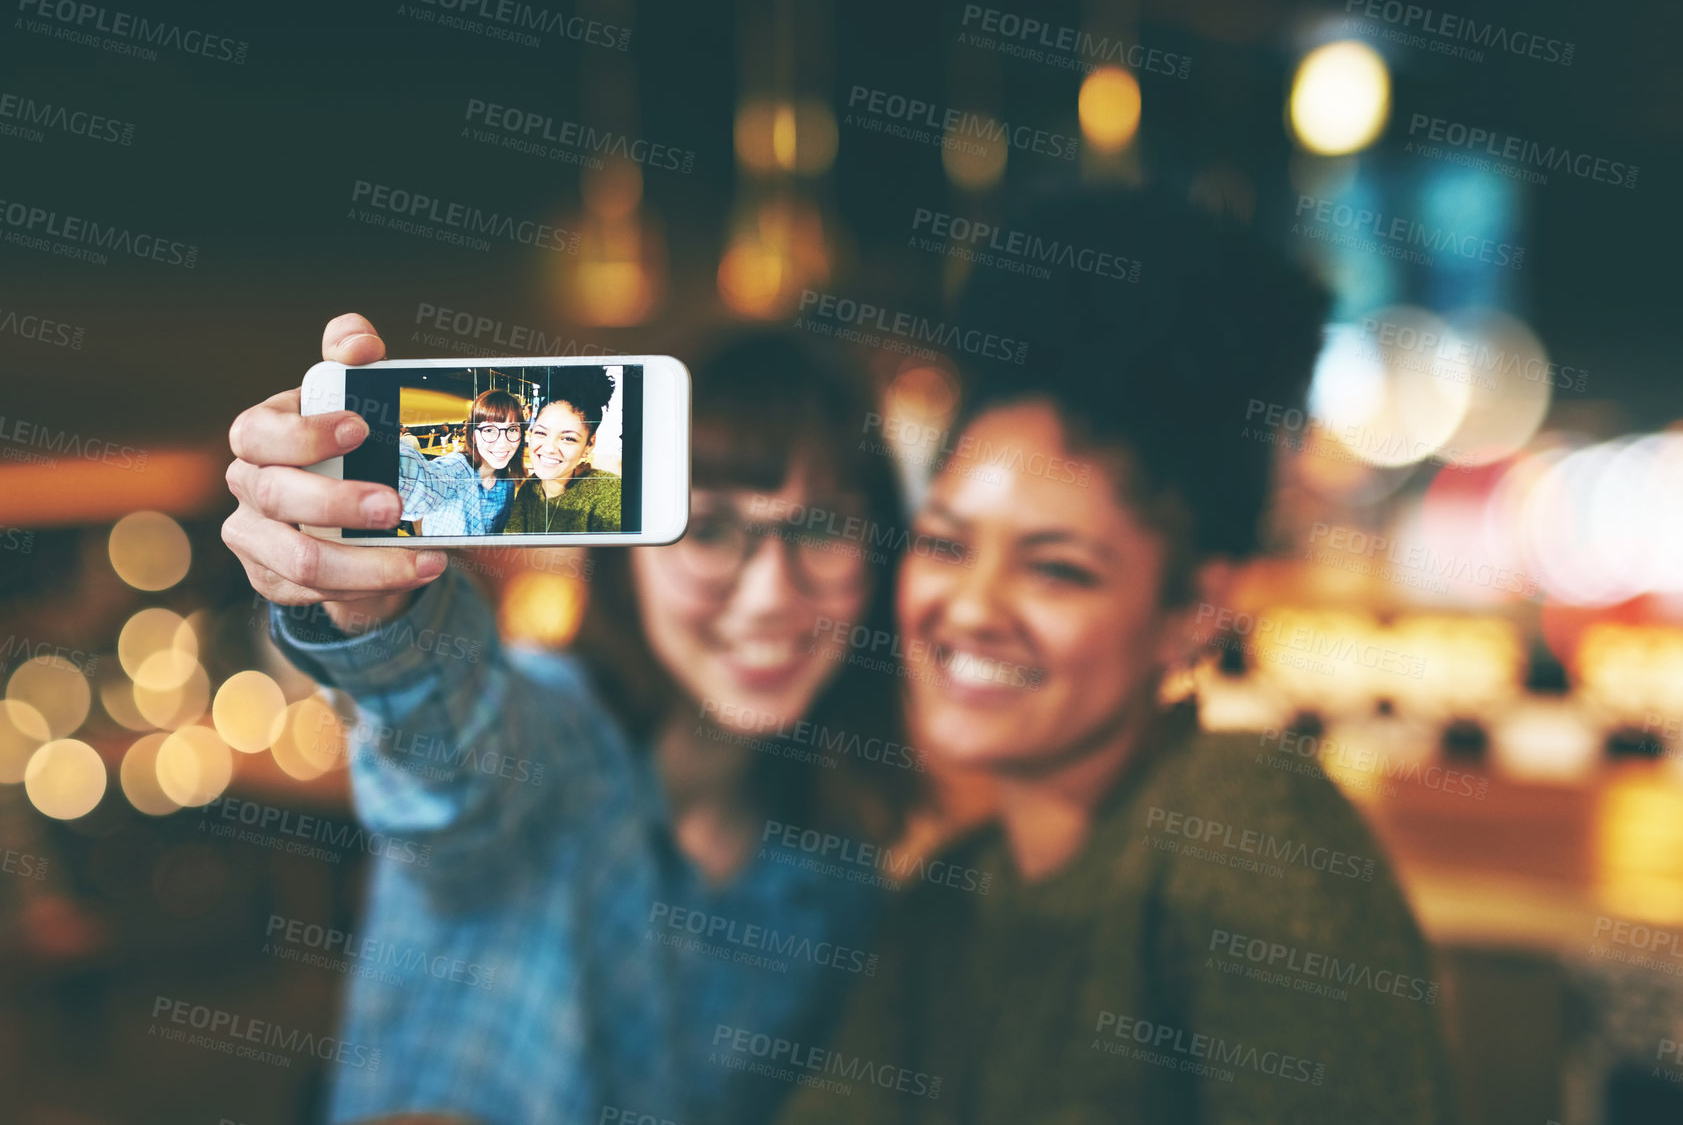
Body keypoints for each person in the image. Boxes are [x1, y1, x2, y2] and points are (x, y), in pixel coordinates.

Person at [776, 189, 1458, 1123]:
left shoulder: (1241, 822)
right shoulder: (948, 903)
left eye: (1056, 570)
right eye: (944, 544)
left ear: (1196, 611)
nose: (970, 607)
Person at [221, 319, 913, 1125]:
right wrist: (381, 609)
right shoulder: (551, 733)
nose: (769, 595)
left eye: (822, 527)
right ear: (627, 553)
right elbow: (451, 747)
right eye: (712, 530)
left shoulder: (837, 876)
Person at [504, 366, 622, 534]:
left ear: (589, 445)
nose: (549, 448)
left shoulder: (610, 495)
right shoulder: (529, 489)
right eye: (541, 432)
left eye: (568, 438)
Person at [397, 389, 525, 535]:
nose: (503, 443)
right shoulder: (457, 470)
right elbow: (423, 481)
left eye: (512, 429)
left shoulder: (507, 482)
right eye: (489, 430)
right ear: (473, 435)